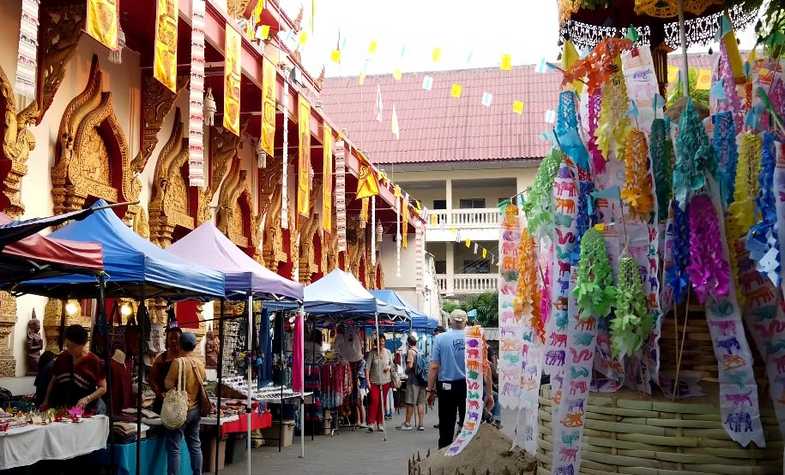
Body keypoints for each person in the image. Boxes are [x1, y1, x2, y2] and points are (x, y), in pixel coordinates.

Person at [164, 332, 206, 475]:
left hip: (181, 409)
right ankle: (197, 473)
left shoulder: (178, 362)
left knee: (174, 447)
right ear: (194, 346)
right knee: (195, 444)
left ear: (180, 344)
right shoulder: (199, 363)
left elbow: (168, 384)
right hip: (196, 409)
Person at [42, 324, 107, 414]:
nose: (69, 349)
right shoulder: (62, 357)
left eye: (72, 346)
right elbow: (53, 381)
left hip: (85, 409)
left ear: (83, 345)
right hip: (62, 408)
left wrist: (87, 399)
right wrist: (46, 401)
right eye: (67, 345)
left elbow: (103, 388)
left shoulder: (94, 361)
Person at [334, 324, 365, 427]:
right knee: (353, 394)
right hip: (350, 361)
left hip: (351, 361)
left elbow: (337, 349)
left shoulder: (349, 332)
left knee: (355, 396)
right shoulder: (344, 335)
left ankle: (359, 420)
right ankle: (357, 420)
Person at [150, 326, 182, 413]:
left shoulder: (185, 358)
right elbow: (152, 379)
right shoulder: (161, 358)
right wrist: (159, 393)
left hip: (181, 403)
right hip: (162, 402)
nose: (173, 341)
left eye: (176, 338)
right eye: (171, 338)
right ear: (167, 340)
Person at [398, 334, 425, 431]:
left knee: (410, 403)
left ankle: (408, 423)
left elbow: (410, 365)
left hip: (413, 380)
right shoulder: (420, 351)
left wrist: (405, 372)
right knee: (420, 403)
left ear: (408, 343)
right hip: (422, 380)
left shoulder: (410, 352)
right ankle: (421, 424)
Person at [365, 333, 392, 432]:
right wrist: (367, 381)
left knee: (382, 402)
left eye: (383, 341)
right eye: (380, 341)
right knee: (374, 400)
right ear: (376, 342)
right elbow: (367, 368)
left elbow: (391, 365)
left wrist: (388, 367)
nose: (382, 343)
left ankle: (380, 422)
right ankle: (372, 422)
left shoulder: (388, 352)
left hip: (386, 381)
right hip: (374, 381)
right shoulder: (372, 353)